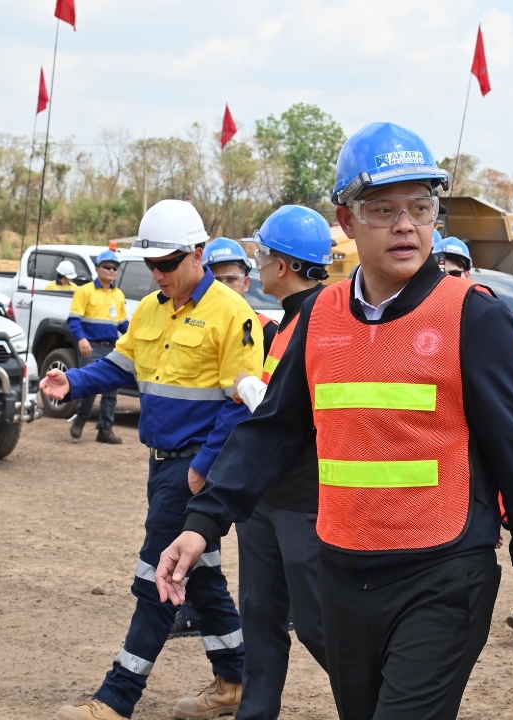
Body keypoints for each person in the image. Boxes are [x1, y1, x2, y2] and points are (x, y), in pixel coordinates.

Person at [155, 121, 513, 720]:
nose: (407, 224)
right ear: (346, 221)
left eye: (422, 207)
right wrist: (203, 522)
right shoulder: (320, 316)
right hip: (342, 576)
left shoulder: (472, 317)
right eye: (384, 209)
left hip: (443, 575)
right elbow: (274, 429)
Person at [43, 199, 260, 720]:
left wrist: (203, 465)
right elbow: (119, 367)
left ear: (199, 254)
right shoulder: (148, 310)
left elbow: (242, 403)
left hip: (193, 472)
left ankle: (116, 699)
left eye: (167, 263)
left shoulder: (234, 315)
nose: (159, 274)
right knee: (200, 575)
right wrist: (71, 381)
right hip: (161, 464)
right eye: (153, 265)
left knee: (157, 578)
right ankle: (236, 679)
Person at [224, 204, 334, 720]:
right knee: (261, 617)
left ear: (284, 265)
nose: (257, 264)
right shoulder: (289, 320)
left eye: (262, 254)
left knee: (316, 623)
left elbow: (293, 412)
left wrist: (249, 390)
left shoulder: (321, 320)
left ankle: (384, 705)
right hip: (269, 498)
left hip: (303, 499)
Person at [67, 250, 129, 444]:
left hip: (111, 347)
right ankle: (81, 418)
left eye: (115, 268)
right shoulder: (84, 291)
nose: (111, 270)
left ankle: (105, 429)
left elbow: (123, 324)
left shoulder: (118, 294)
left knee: (112, 389)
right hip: (90, 346)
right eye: (107, 267)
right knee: (89, 386)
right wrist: (81, 339)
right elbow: (74, 319)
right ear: (97, 269)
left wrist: (135, 338)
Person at [204, 238, 279, 357]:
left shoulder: (269, 331)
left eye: (231, 279)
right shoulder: (191, 326)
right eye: (216, 281)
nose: (224, 288)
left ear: (246, 283)